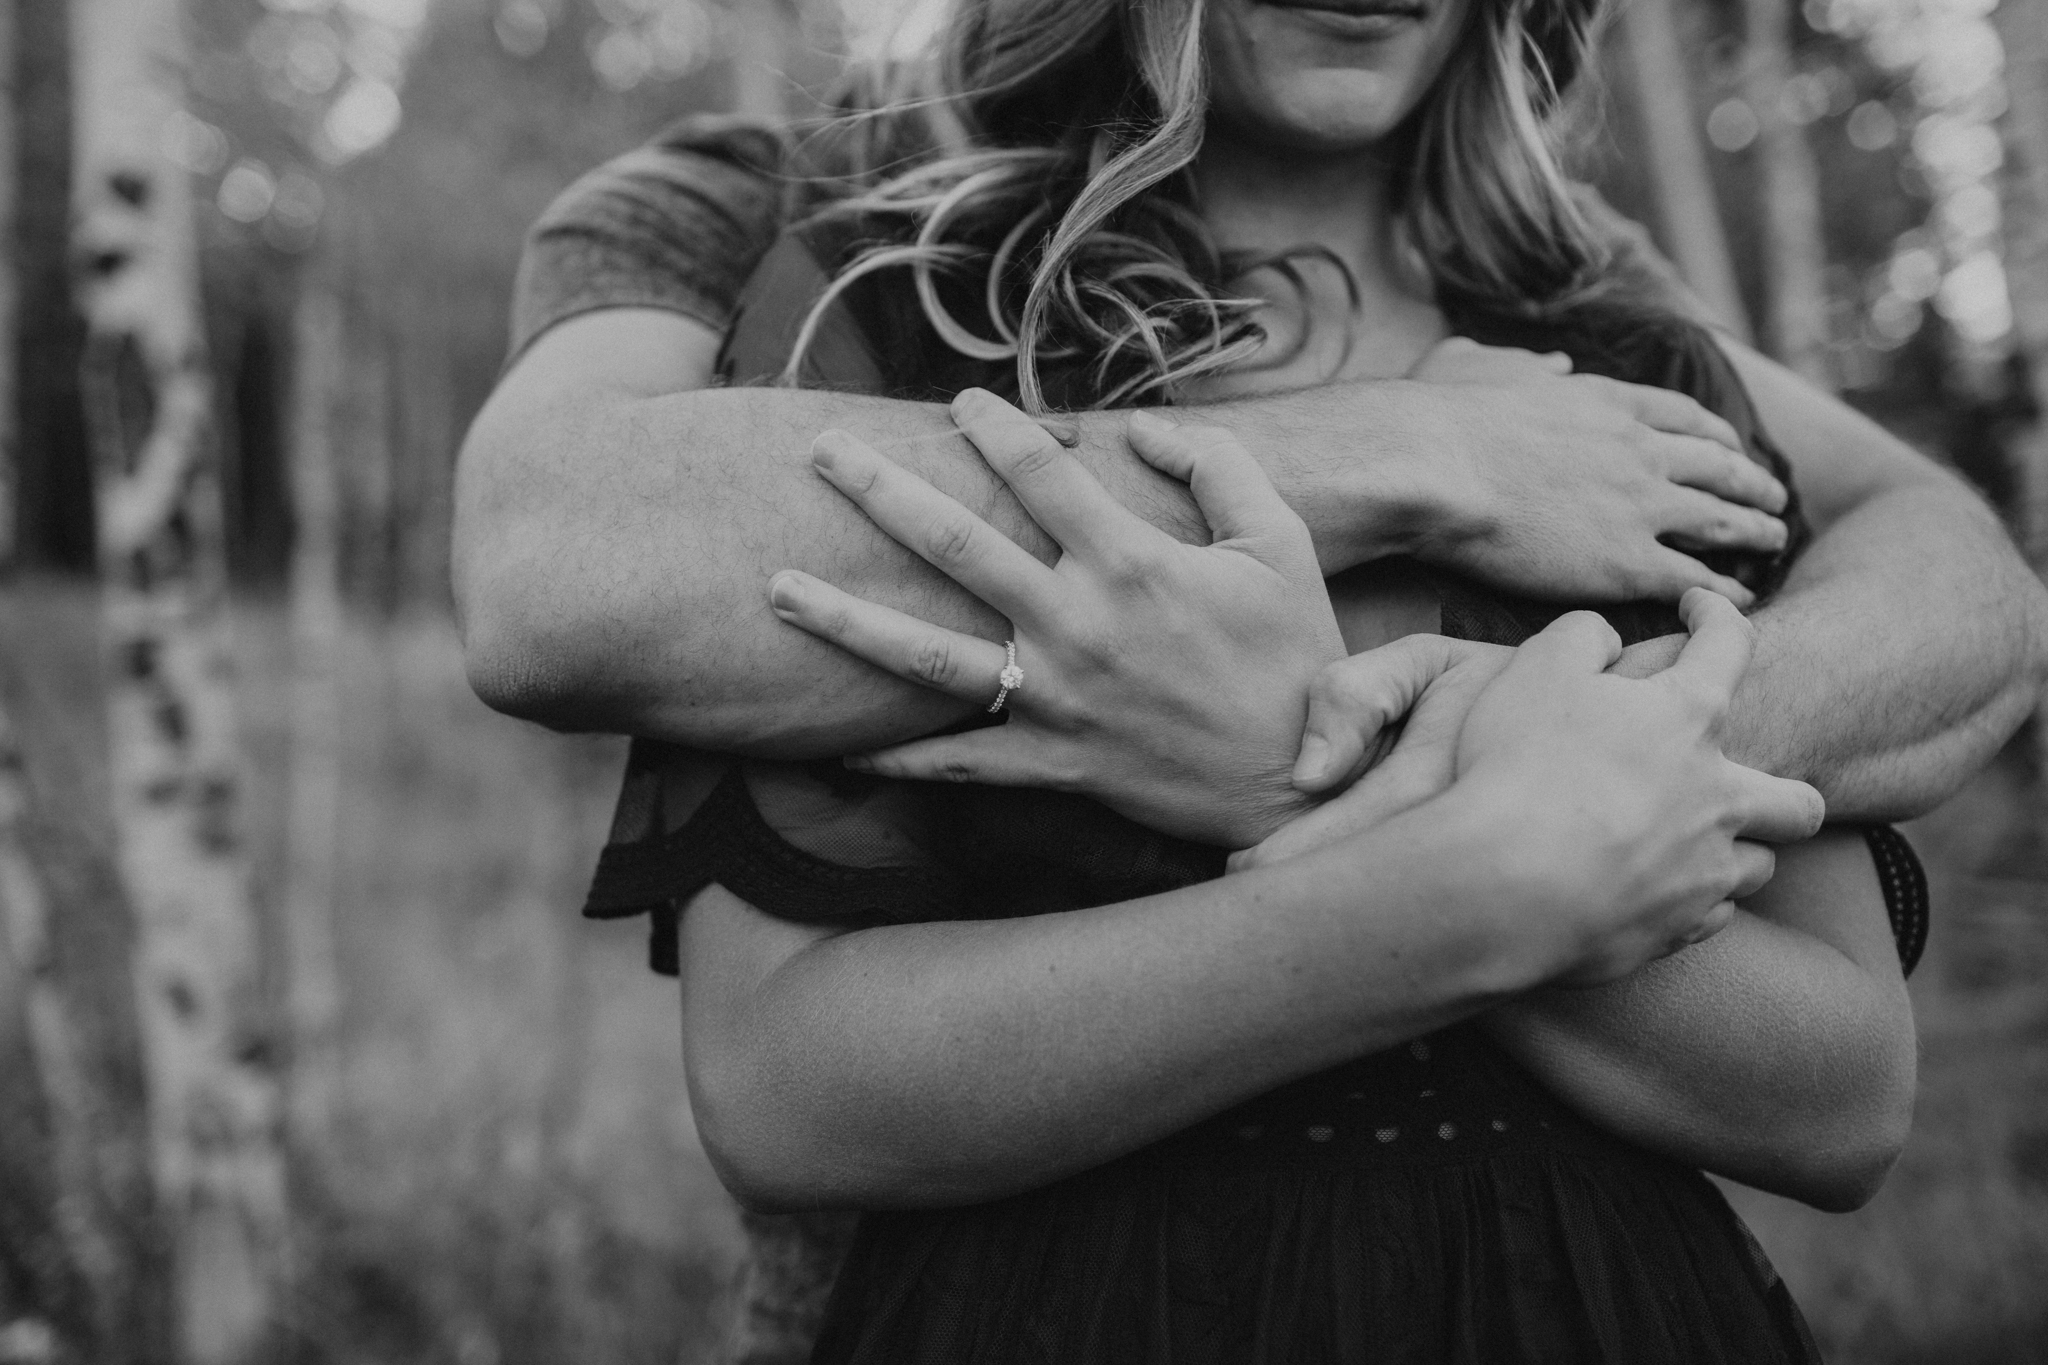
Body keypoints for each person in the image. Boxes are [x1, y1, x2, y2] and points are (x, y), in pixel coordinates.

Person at [450, 0, 2048, 1359]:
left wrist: (1308, 770)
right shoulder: (891, 314)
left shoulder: (1620, 368)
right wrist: (1456, 833)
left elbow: (1839, 1094)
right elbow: (789, 1085)